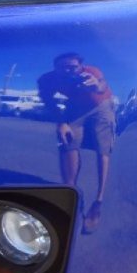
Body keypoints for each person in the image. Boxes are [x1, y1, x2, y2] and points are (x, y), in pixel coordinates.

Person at [37, 53, 115, 234]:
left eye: (72, 67)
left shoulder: (91, 72)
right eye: (62, 67)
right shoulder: (47, 80)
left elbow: (102, 85)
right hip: (76, 107)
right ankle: (69, 192)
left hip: (101, 104)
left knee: (103, 148)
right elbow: (50, 103)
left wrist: (97, 85)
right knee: (67, 140)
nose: (68, 71)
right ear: (54, 68)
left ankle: (98, 201)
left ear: (81, 66)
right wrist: (61, 122)